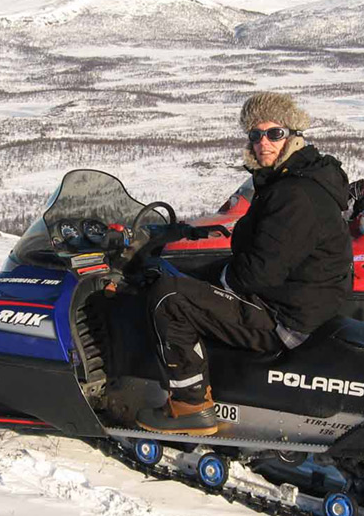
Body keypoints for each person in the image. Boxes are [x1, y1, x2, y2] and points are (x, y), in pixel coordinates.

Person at [136, 92, 353, 435]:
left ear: (293, 135)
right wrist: (205, 273)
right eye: (255, 135)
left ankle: (189, 405)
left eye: (274, 134)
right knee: (189, 274)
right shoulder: (292, 180)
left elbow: (257, 273)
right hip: (300, 301)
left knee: (168, 297)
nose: (263, 143)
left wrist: (214, 279)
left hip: (283, 316)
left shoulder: (294, 194)